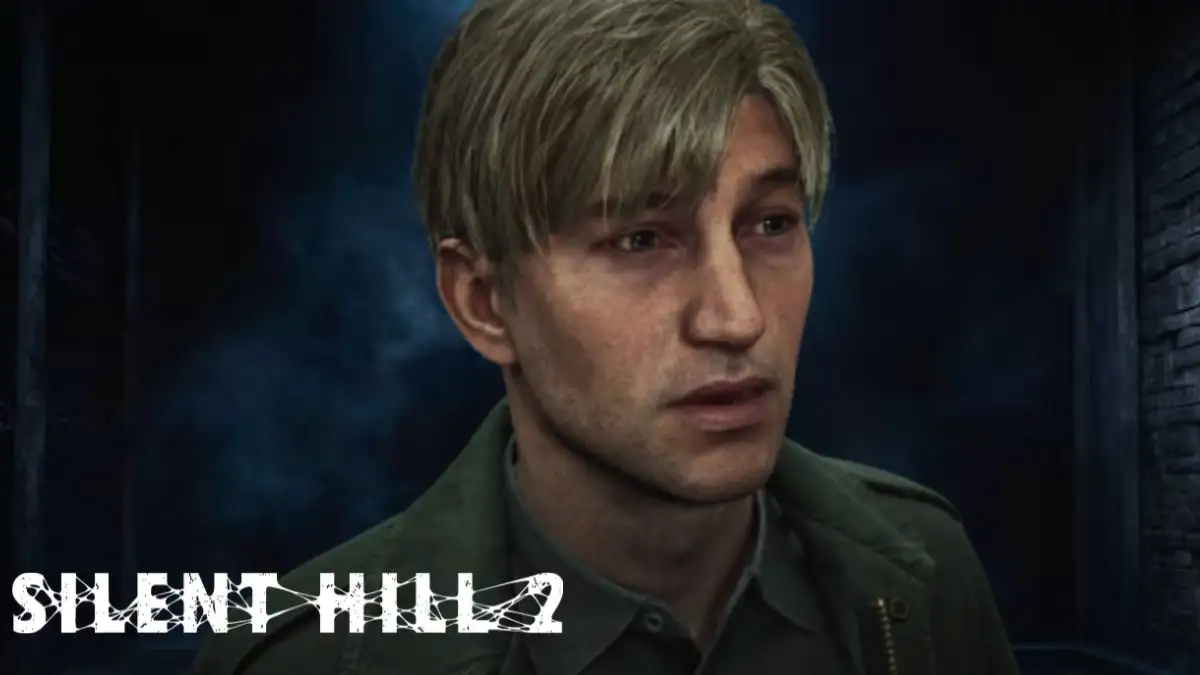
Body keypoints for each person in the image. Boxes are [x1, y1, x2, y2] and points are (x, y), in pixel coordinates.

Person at [192, 0, 1019, 673]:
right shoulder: (313, 657)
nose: (737, 316)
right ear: (484, 302)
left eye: (770, 223)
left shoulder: (919, 569)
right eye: (640, 240)